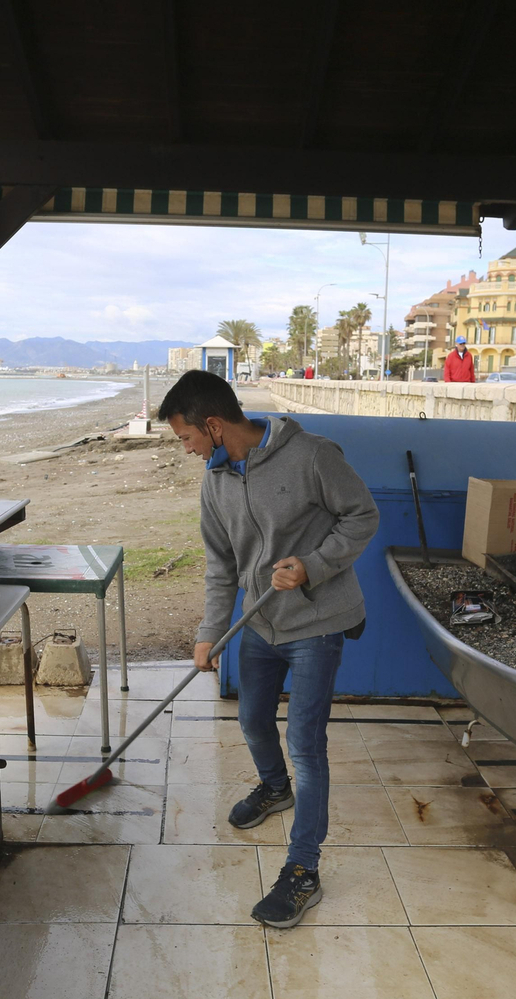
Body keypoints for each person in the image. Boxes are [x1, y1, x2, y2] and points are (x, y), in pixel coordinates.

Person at [158, 370, 378, 928]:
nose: (185, 449)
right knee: (253, 722)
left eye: (186, 438)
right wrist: (209, 632)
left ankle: (303, 870)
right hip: (260, 627)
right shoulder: (214, 482)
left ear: (212, 424)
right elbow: (220, 566)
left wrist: (313, 565)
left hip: (316, 623)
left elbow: (362, 515)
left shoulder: (311, 456)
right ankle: (275, 789)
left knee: (305, 743)